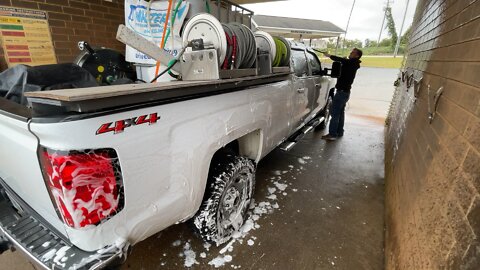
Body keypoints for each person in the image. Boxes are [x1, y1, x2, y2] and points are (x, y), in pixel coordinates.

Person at [321, 48, 362, 141]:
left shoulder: (351, 63)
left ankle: (332, 134)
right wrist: (344, 61)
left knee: (334, 113)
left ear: (357, 56)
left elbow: (340, 59)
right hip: (345, 93)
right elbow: (343, 62)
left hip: (341, 93)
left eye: (352, 53)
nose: (350, 53)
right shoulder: (352, 63)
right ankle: (339, 132)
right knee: (340, 113)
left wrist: (328, 55)